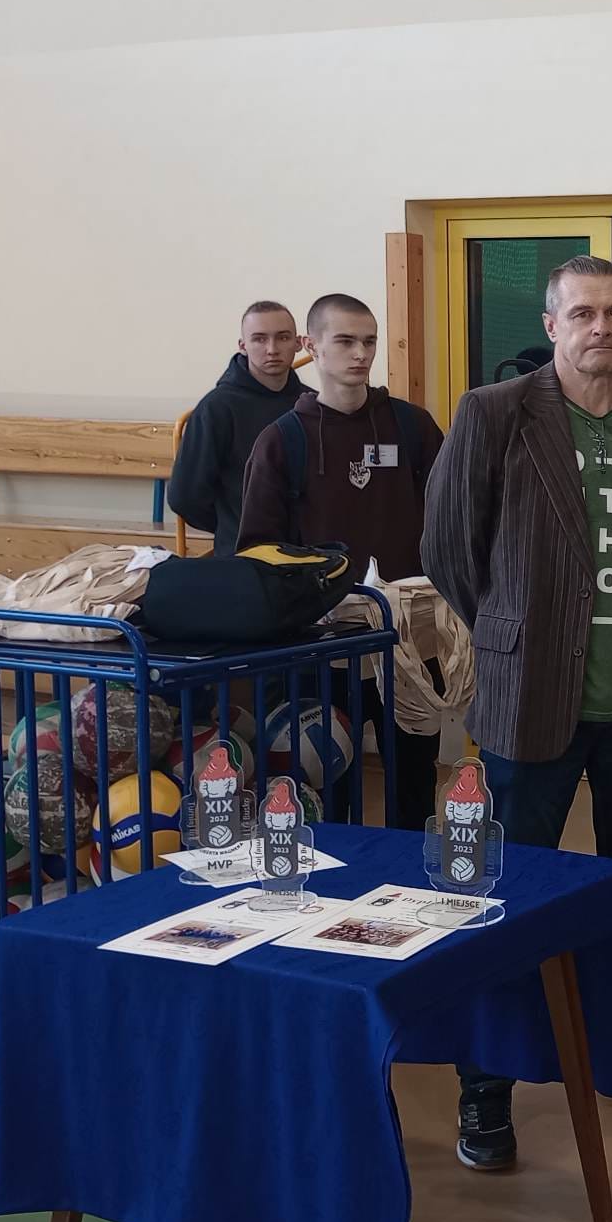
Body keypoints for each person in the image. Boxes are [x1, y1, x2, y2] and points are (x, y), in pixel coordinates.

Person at [423, 255, 612, 1160]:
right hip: (528, 706)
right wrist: (510, 631)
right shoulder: (495, 414)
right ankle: (485, 1090)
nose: (601, 327)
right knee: (502, 899)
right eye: (582, 313)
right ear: (551, 325)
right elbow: (449, 547)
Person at [237, 294, 445, 835]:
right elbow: (257, 551)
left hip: (408, 642)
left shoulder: (413, 427)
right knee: (326, 790)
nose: (360, 354)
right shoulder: (282, 440)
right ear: (311, 346)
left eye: (369, 341)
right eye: (346, 341)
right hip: (321, 651)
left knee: (413, 785)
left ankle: (408, 881)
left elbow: (453, 523)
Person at [170, 301, 305, 555]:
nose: (272, 349)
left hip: (308, 553)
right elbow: (185, 497)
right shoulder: (216, 408)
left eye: (283, 337)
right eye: (259, 339)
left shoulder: (311, 404)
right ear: (243, 346)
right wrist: (233, 525)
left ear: (298, 343)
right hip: (242, 555)